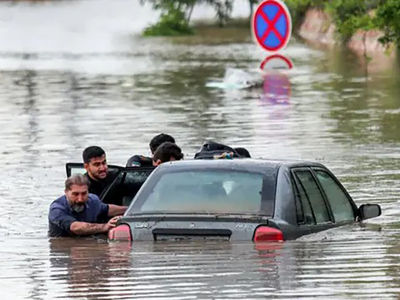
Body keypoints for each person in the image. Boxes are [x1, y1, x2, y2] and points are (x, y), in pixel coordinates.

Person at [48, 174, 127, 237]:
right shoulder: (57, 209)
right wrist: (105, 227)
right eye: (75, 194)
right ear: (66, 192)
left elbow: (107, 209)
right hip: (64, 251)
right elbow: (75, 227)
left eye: (84, 193)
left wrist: (131, 209)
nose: (80, 199)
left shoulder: (93, 200)